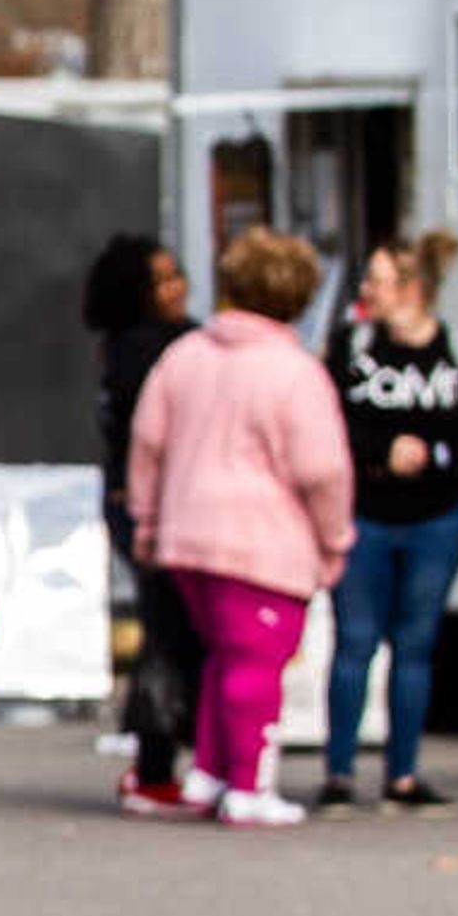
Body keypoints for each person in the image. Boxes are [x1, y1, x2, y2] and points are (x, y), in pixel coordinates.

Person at [127, 228, 353, 830]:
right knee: (256, 667)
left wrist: (147, 521)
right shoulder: (295, 372)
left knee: (222, 661)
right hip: (262, 543)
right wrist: (335, 540)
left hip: (186, 538)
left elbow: (147, 443)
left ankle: (209, 775)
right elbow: (322, 470)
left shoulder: (186, 356)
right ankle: (251, 786)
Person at [321, 234, 458, 810]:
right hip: (366, 516)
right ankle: (340, 773)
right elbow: (329, 419)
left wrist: (431, 453)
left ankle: (403, 774)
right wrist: (381, 451)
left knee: (416, 643)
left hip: (437, 518)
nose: (366, 291)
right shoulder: (353, 347)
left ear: (413, 288)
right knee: (355, 641)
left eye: (378, 280)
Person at [86, 234, 205, 817]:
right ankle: (156, 763)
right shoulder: (148, 351)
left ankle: (166, 758)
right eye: (160, 281)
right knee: (168, 632)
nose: (176, 287)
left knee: (174, 629)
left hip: (146, 500)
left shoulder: (150, 345)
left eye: (177, 273)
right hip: (147, 503)